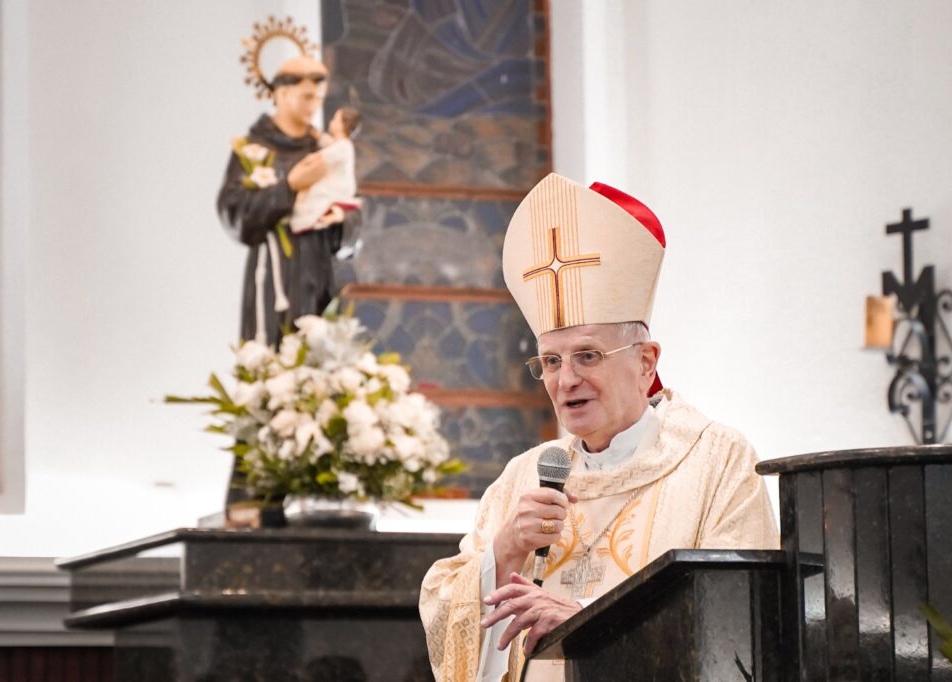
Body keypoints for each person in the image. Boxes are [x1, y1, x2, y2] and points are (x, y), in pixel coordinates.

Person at [419, 173, 779, 681]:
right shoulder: (522, 477)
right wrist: (504, 552)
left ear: (646, 363)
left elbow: (743, 631)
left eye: (588, 355)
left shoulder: (718, 463)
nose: (566, 380)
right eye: (550, 361)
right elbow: (442, 613)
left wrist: (589, 625)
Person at [217, 54, 357, 346]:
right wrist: (289, 187)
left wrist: (344, 220)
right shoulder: (253, 151)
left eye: (318, 96)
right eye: (306, 96)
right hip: (272, 274)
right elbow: (235, 216)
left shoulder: (325, 150)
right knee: (272, 354)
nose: (314, 105)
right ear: (281, 93)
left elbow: (350, 220)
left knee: (321, 357)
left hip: (319, 270)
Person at [291, 106, 362, 235]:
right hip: (334, 188)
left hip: (336, 190)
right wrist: (311, 130)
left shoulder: (344, 145)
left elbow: (320, 157)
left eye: (335, 119)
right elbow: (324, 140)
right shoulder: (339, 144)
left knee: (311, 195)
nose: (331, 121)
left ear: (342, 125)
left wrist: (307, 160)